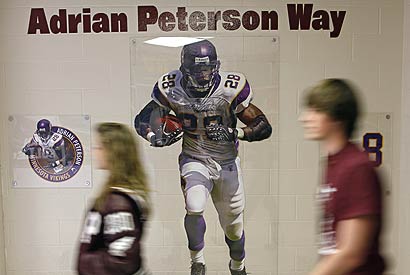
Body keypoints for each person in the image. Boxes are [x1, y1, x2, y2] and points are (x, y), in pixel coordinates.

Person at [134, 39, 272, 275]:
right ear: (185, 69)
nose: (203, 75)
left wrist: (234, 132)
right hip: (194, 157)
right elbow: (142, 119)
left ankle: (237, 265)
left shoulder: (231, 86)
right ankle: (197, 262)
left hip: (227, 162)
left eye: (207, 69)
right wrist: (152, 136)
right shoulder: (170, 86)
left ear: (216, 67)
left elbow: (263, 125)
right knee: (194, 205)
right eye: (197, 70)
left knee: (234, 228)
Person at [300, 79, 385, 275]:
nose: (304, 118)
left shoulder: (356, 167)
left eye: (315, 110)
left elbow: (350, 253)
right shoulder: (333, 163)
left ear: (337, 117)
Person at [77, 123, 151, 275]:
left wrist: (84, 262)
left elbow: (122, 260)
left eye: (99, 147)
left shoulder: (118, 202)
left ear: (113, 152)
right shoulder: (117, 195)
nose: (94, 152)